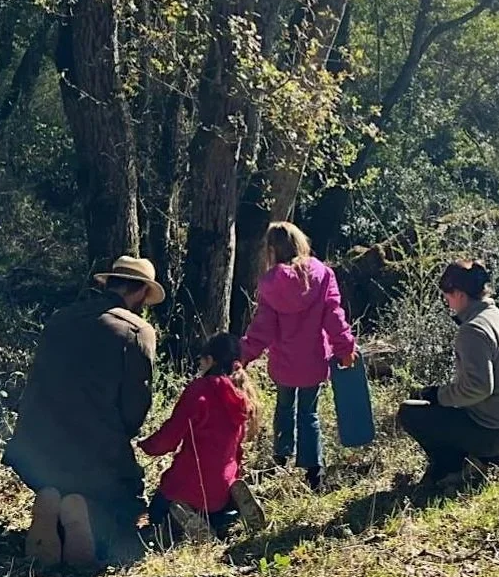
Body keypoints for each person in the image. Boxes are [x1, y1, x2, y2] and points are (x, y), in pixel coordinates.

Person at [3, 255, 162, 569]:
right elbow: (135, 408)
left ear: (110, 283)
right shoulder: (136, 331)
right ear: (142, 292)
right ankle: (83, 511)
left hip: (35, 450)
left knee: (66, 480)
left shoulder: (61, 318)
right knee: (128, 506)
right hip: (92, 449)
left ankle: (54, 499)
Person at [239, 220, 356, 492]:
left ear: (272, 250)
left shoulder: (270, 285)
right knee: (309, 414)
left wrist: (244, 354)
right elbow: (334, 316)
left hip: (284, 364)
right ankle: (314, 473)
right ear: (300, 243)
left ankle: (280, 460)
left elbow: (262, 328)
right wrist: (345, 347)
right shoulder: (323, 275)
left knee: (283, 409)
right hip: (314, 361)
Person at [397, 260, 499, 490]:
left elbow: (478, 389)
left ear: (459, 294)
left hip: (494, 430)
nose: (448, 303)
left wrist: (437, 395)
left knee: (410, 412)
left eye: (447, 297)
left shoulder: (473, 330)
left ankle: (452, 468)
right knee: (447, 406)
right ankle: (492, 460)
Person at [139, 332, 266, 541]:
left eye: (201, 360)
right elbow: (238, 449)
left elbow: (169, 438)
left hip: (189, 484)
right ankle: (228, 516)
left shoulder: (200, 390)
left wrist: (146, 446)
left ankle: (183, 521)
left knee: (156, 511)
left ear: (210, 360)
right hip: (223, 488)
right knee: (220, 504)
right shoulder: (241, 394)